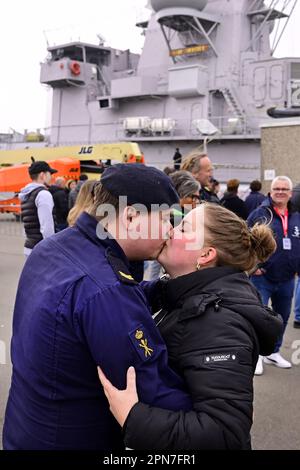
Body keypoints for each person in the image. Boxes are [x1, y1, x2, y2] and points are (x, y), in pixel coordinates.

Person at [3, 164, 192, 450]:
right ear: (131, 216)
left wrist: (168, 289)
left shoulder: (54, 247)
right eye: (166, 219)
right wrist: (221, 418)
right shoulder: (105, 289)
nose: (171, 230)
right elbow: (154, 389)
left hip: (26, 427)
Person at [98, 202, 282, 450]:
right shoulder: (184, 294)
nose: (170, 230)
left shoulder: (219, 322)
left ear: (205, 255)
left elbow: (225, 432)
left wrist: (133, 417)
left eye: (184, 228)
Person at [248, 176, 300, 374]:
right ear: (270, 191)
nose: (280, 191)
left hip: (287, 278)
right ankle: (257, 355)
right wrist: (254, 266)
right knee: (259, 317)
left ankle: (273, 352)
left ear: (290, 193)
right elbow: (246, 240)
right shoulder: (260, 213)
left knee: (282, 317)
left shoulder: (296, 215)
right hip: (262, 277)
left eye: (284, 189)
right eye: (276, 188)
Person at [19, 160, 57, 256]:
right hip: (41, 250)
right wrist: (52, 249)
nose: (51, 177)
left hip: (30, 246)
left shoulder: (26, 193)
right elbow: (47, 227)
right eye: (50, 174)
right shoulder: (43, 194)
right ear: (42, 175)